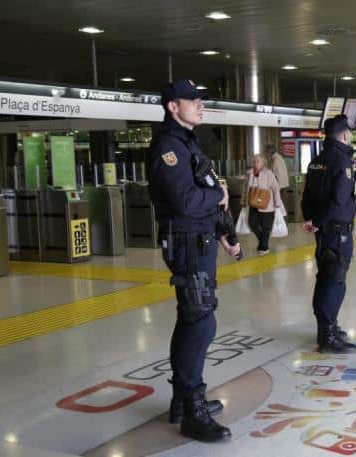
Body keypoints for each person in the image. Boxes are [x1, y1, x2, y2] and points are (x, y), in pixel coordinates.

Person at [147, 79, 241, 443]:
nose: (201, 106)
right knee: (200, 321)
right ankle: (191, 408)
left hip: (199, 239)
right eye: (193, 101)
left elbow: (205, 193)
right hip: (186, 241)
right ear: (173, 107)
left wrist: (225, 234)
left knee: (196, 318)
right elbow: (188, 200)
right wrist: (217, 195)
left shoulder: (188, 144)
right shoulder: (167, 148)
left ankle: (183, 400)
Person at [301, 114, 356, 354]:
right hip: (337, 231)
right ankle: (328, 336)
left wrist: (312, 221)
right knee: (335, 280)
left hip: (323, 232)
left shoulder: (316, 161)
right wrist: (320, 221)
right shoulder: (342, 162)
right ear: (344, 135)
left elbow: (306, 197)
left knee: (325, 276)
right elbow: (339, 201)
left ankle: (326, 327)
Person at [241, 153, 284, 255]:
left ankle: (264, 247)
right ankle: (262, 241)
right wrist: (243, 201)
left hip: (267, 205)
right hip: (253, 203)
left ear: (263, 162)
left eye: (258, 161)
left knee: (265, 227)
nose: (255, 163)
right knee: (252, 223)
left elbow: (275, 189)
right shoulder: (249, 173)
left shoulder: (269, 173)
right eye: (254, 161)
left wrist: (278, 203)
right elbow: (244, 188)